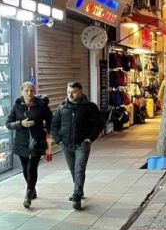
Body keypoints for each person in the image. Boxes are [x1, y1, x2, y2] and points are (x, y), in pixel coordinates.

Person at [51, 82, 104, 210]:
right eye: (68, 92)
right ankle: (78, 189)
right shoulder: (62, 107)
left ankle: (77, 196)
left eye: (74, 92)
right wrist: (58, 140)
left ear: (80, 91)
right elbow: (54, 125)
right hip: (66, 144)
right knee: (72, 169)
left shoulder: (90, 107)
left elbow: (98, 124)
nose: (70, 95)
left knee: (79, 168)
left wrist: (89, 138)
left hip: (82, 144)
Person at [6, 82, 52, 208]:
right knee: (25, 168)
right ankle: (32, 189)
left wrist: (47, 132)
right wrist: (20, 124)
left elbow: (50, 120)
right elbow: (8, 123)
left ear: (35, 91)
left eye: (32, 90)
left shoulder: (41, 105)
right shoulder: (16, 106)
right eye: (26, 90)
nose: (29, 93)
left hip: (37, 142)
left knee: (32, 168)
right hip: (21, 142)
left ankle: (28, 194)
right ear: (22, 92)